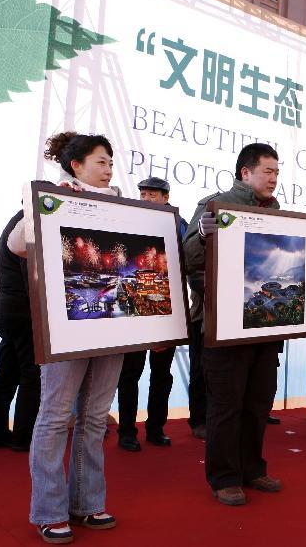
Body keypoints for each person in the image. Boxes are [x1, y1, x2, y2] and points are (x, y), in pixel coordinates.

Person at [9, 132, 123, 543]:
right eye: (100, 162)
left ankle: (88, 503)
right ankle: (48, 509)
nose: (109, 169)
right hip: (66, 325)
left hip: (114, 326)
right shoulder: (55, 196)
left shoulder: (122, 205)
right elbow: (17, 243)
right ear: (76, 165)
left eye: (110, 162)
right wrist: (46, 208)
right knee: (56, 416)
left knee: (94, 417)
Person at [183, 143, 286, 505]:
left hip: (265, 324)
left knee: (258, 401)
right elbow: (188, 262)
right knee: (226, 404)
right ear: (245, 172)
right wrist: (201, 235)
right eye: (267, 171)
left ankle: (253, 469)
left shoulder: (280, 215)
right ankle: (224, 477)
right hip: (223, 326)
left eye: (277, 172)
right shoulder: (215, 205)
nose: (274, 178)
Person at [116, 177, 185, 451]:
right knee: (129, 374)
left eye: (152, 195)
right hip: (134, 315)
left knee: (161, 375)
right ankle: (126, 431)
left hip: (165, 313)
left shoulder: (179, 225)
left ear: (165, 198)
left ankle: (156, 427)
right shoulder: (127, 222)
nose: (145, 198)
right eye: (142, 193)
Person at [0, 208, 42, 452]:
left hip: (9, 311)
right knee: (30, 375)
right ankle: (23, 437)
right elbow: (31, 279)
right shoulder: (25, 225)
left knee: (7, 374)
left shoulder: (15, 221)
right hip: (24, 312)